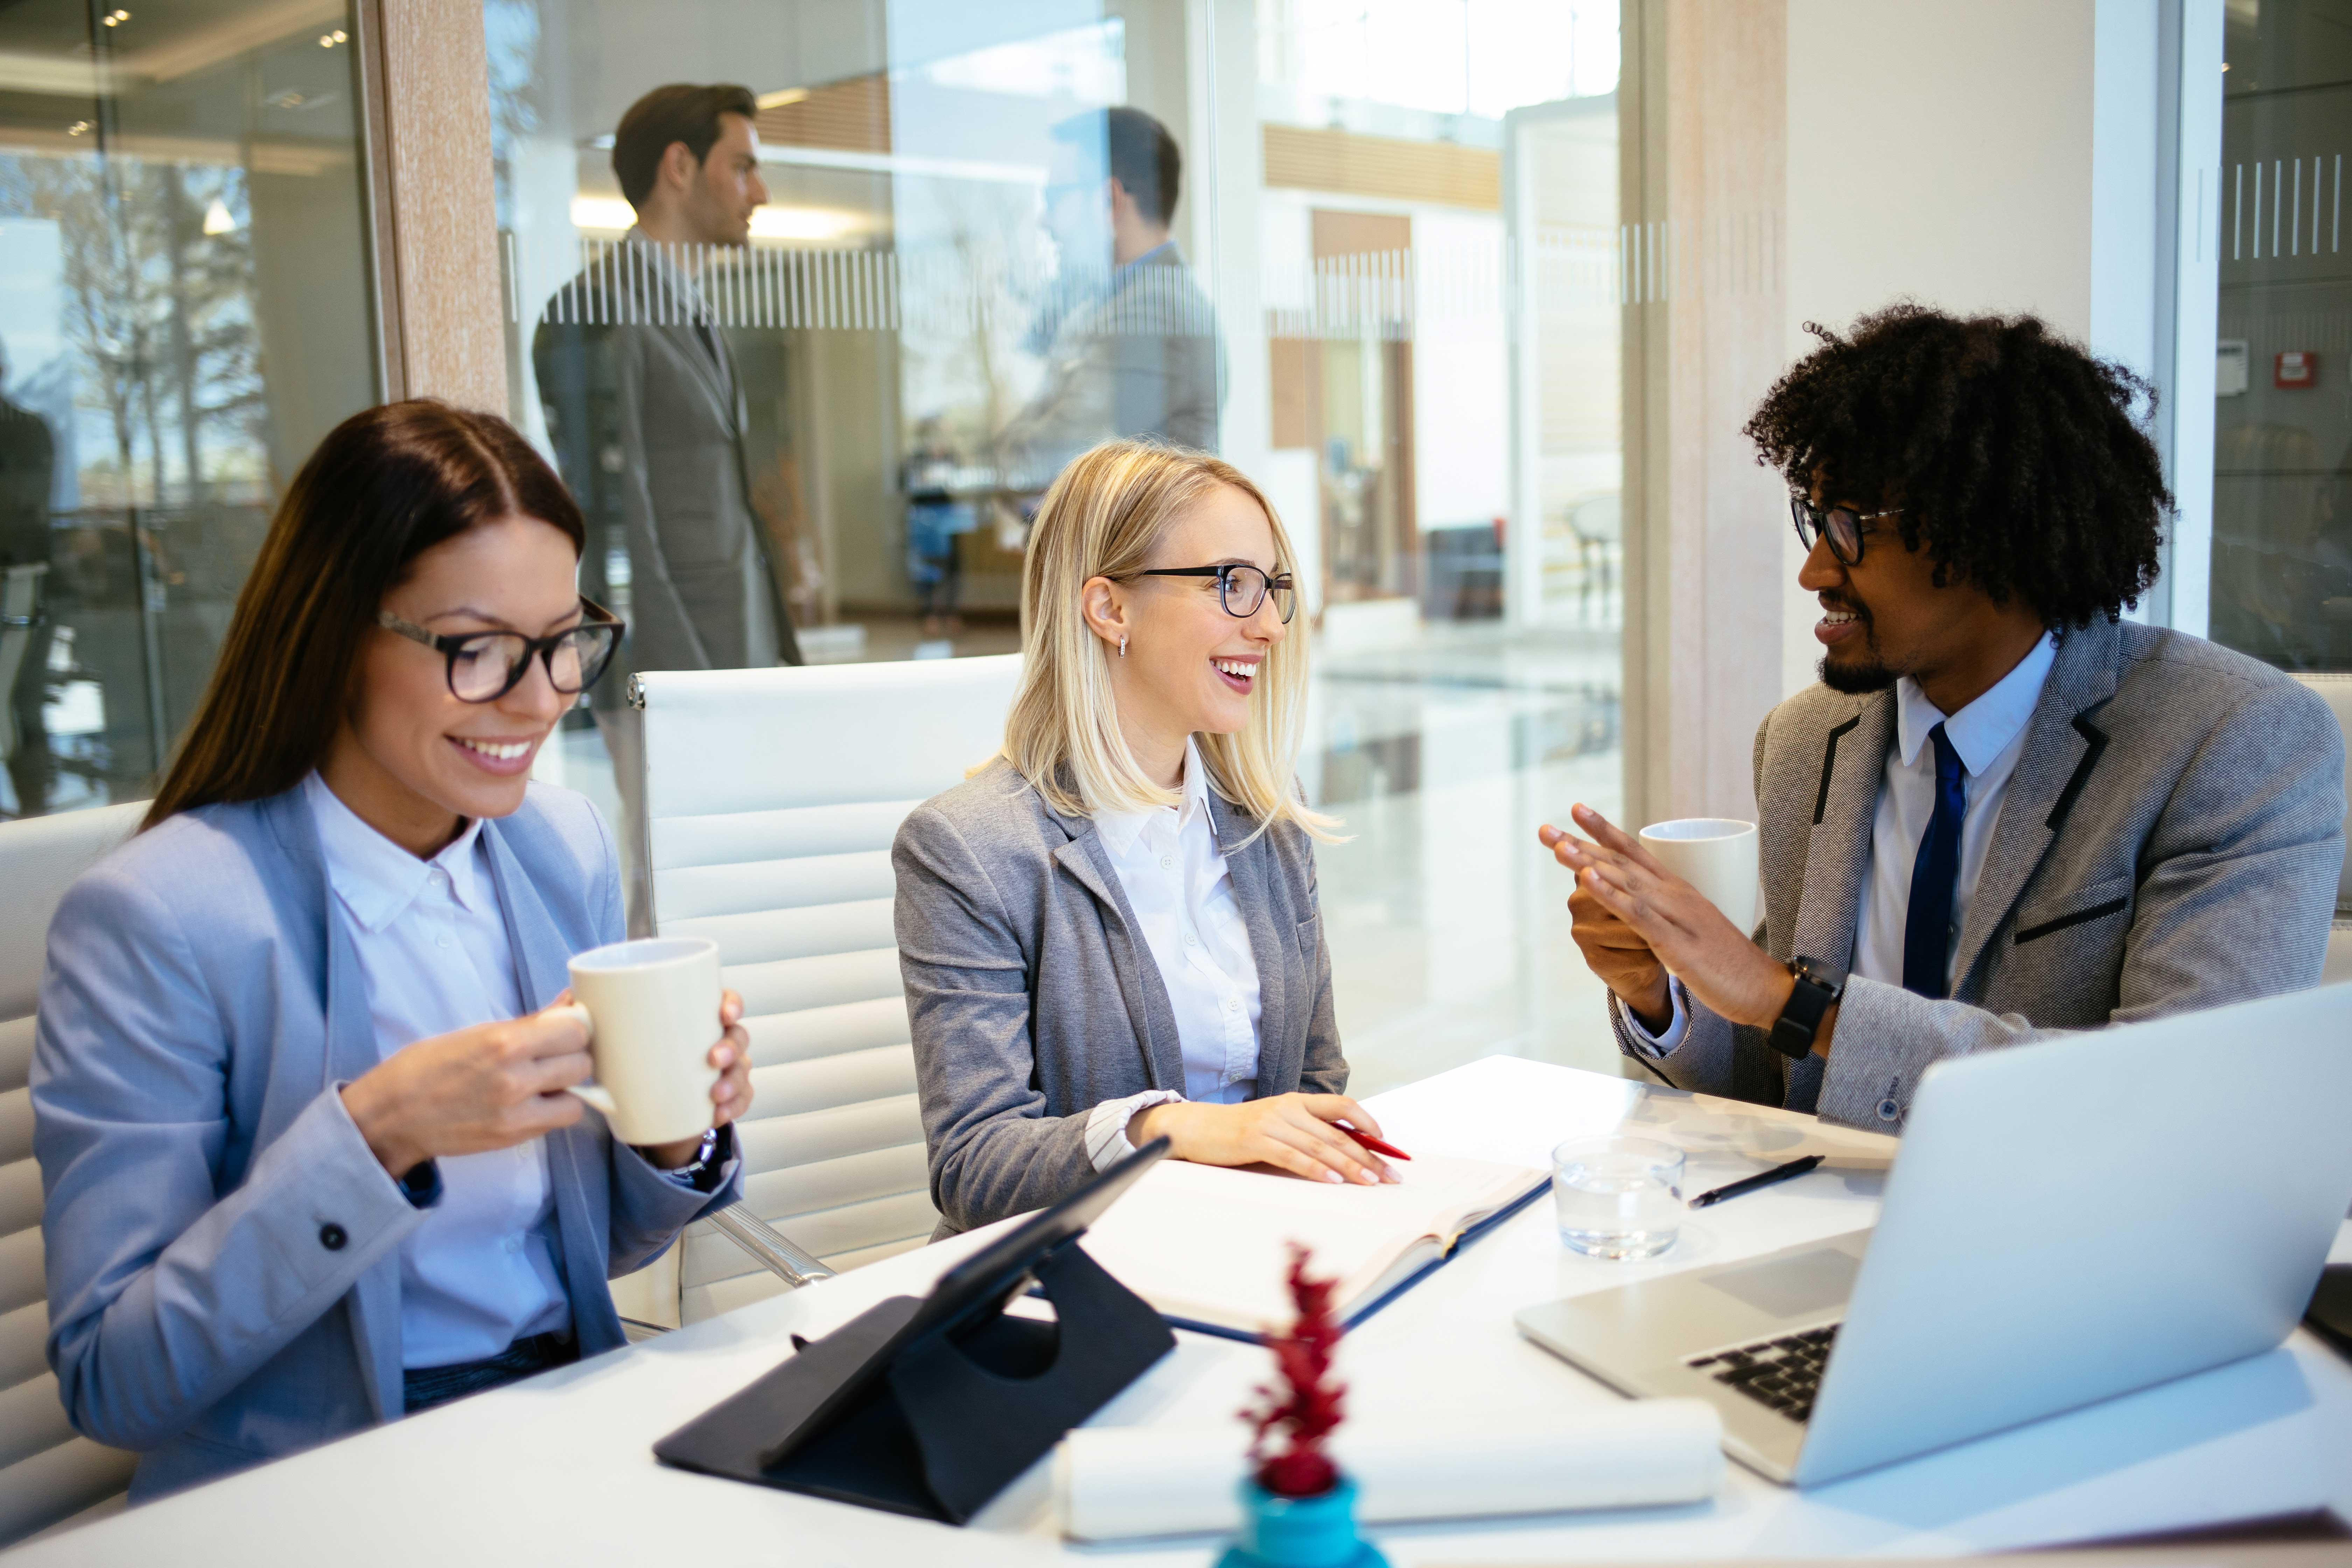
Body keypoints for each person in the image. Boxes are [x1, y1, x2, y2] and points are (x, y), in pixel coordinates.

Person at [31, 401, 754, 1500]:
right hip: (326, 1482)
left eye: (565, 643)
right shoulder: (161, 915)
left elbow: (591, 1252)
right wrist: (379, 1132)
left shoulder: (557, 847)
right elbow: (115, 1380)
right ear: (335, 633)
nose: (538, 697)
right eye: (476, 649)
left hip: (572, 1423)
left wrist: (673, 1139)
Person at [1541, 306, 2346, 1130]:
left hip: (2077, 1238)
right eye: (1816, 522)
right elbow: (1773, 1086)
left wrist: (1790, 1002)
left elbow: (2187, 1095)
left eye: (1852, 530)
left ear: (1993, 538)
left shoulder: (2236, 740)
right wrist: (1661, 994)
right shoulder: (1804, 740)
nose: (1815, 569)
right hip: (1823, 1233)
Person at [894, 439, 1389, 1234]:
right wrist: (1172, 1127)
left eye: (1274, 589)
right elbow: (972, 1165)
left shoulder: (1267, 814)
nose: (1268, 625)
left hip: (1251, 1249)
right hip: (1080, 1283)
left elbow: (1313, 1078)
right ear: (1109, 608)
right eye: (1233, 585)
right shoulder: (968, 850)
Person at [534, 82, 802, 928]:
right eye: (744, 166)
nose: (759, 191)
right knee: (669, 890)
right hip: (673, 671)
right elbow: (615, 528)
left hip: (735, 658)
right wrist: (672, 693)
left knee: (740, 886)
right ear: (680, 167)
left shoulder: (692, 307)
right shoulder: (594, 311)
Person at [999, 107, 1223, 493]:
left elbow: (1047, 462)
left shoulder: (1153, 309)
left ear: (1111, 201)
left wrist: (1008, 445)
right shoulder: (1112, 305)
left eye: (1054, 199)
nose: (1045, 223)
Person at [0, 344, 55, 817]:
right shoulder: (30, 432)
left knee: (22, 708)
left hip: (18, 583)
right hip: (21, 579)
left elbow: (22, 508)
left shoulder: (26, 433)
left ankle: (37, 818)